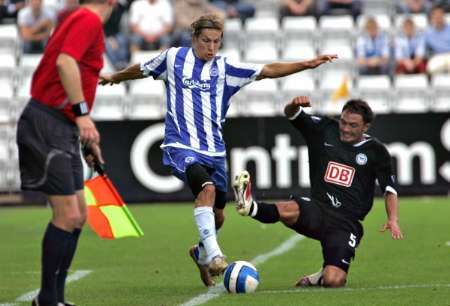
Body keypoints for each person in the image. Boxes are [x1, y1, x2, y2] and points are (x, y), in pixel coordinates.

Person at [99, 14, 337, 287]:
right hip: (180, 145)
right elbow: (140, 68)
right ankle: (215, 256)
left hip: (215, 151)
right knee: (207, 190)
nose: (211, 48)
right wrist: (115, 78)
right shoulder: (173, 58)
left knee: (219, 215)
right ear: (194, 39)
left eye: (216, 42)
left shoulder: (226, 69)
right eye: (206, 41)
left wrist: (307, 64)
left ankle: (200, 251)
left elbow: (268, 69)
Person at [233, 96, 404, 288]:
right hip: (318, 209)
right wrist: (293, 105)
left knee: (333, 281)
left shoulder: (376, 151)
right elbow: (292, 114)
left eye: (353, 125)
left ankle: (320, 276)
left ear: (365, 127)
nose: (346, 129)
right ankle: (250, 207)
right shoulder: (324, 129)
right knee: (289, 208)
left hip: (346, 223)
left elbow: (389, 189)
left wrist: (393, 219)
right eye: (343, 122)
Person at [16, 0, 115, 305]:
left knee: (79, 215)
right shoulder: (89, 19)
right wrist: (82, 114)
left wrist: (83, 131)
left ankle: (54, 297)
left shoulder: (77, 17)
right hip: (48, 122)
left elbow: (70, 71)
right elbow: (65, 63)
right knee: (67, 214)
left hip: (63, 124)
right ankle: (47, 299)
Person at [424, 5, 450, 74]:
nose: (438, 17)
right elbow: (424, 49)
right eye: (436, 15)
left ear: (444, 16)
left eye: (440, 15)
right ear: (432, 17)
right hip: (437, 57)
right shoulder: (427, 33)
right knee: (431, 68)